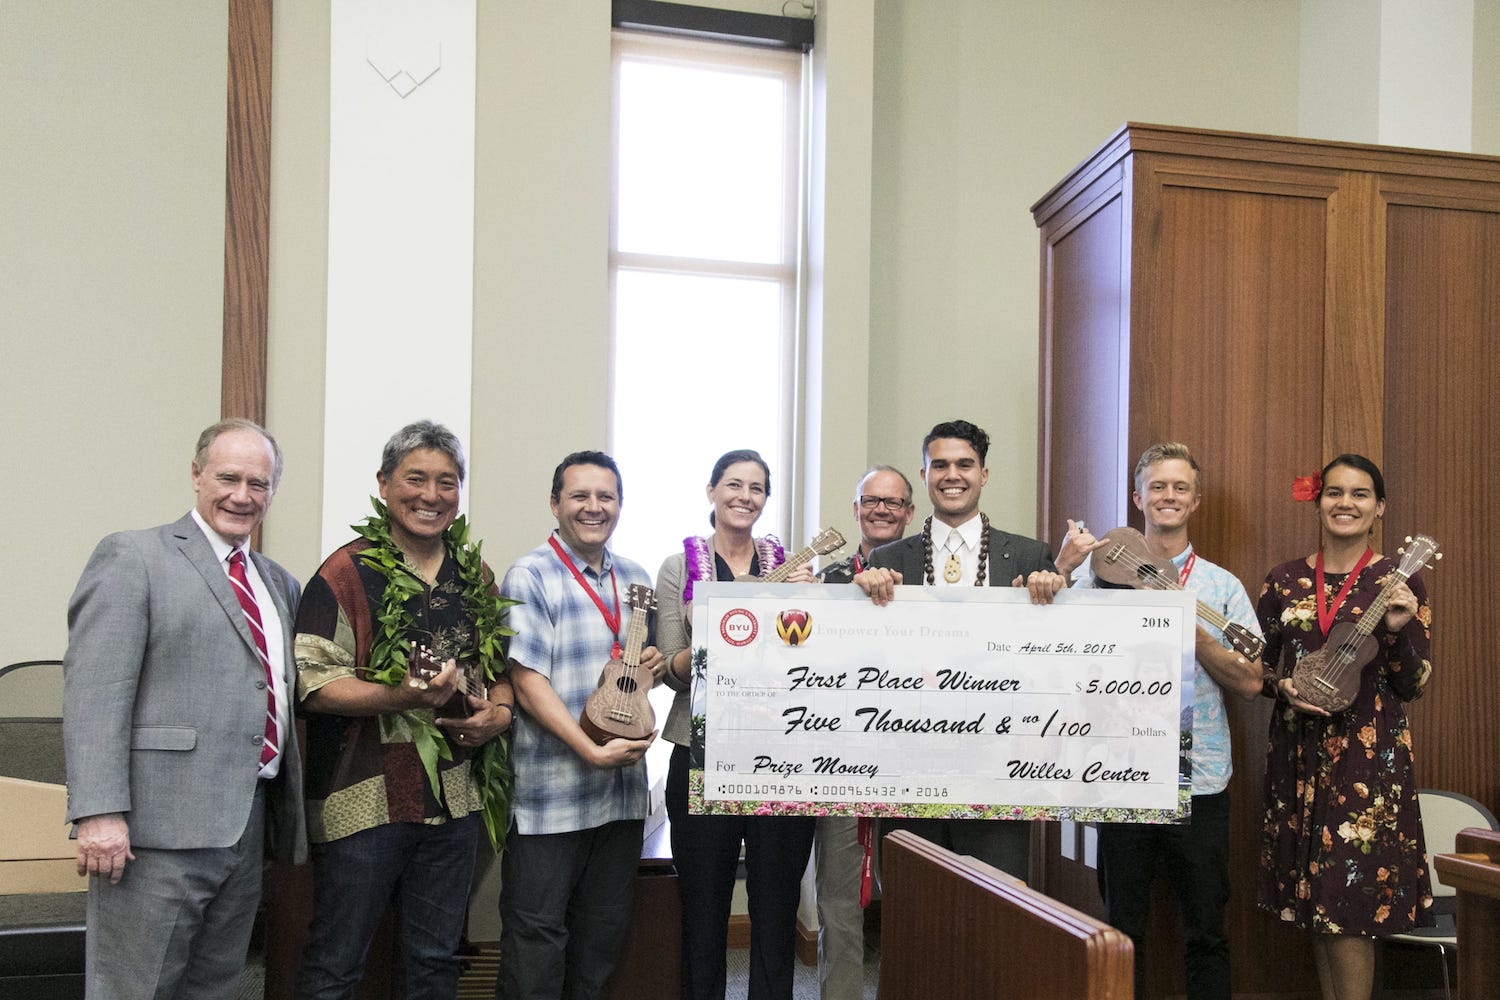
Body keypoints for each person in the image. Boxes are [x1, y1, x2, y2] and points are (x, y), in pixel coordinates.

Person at [63, 418, 305, 999]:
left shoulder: (279, 584)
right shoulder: (133, 556)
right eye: (228, 477)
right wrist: (98, 813)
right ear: (197, 476)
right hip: (152, 835)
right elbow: (94, 692)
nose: (242, 496)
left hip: (246, 829)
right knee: (133, 989)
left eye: (259, 483)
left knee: (216, 988)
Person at [293, 421, 515, 1000]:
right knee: (337, 962)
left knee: (437, 960)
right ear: (385, 484)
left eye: (447, 482)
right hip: (362, 799)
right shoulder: (344, 573)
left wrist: (500, 714)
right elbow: (315, 685)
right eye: (415, 479)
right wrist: (402, 698)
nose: (431, 495)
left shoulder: (475, 577)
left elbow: (497, 675)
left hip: (454, 799)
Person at [1056, 442, 1262, 1000]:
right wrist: (1062, 572)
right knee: (1123, 931)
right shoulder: (1097, 580)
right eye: (1157, 486)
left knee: (1207, 931)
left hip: (1202, 778)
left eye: (1180, 487)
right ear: (1137, 496)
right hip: (1121, 775)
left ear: (1195, 501)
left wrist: (1187, 627)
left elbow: (1250, 682)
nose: (1168, 496)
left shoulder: (1221, 588)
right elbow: (1051, 654)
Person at [853, 418, 1066, 879]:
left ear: (984, 474)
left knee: (996, 912)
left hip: (1000, 765)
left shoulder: (1030, 558)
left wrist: (1052, 597)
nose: (953, 475)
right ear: (925, 474)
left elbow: (1051, 664)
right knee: (917, 910)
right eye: (940, 464)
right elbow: (865, 664)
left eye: (965, 464)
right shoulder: (887, 561)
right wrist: (861, 600)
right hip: (910, 761)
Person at [1257, 454, 1434, 1000]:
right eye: (1334, 493)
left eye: (1360, 495)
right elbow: (1257, 665)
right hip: (1298, 756)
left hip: (1368, 763)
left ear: (1379, 508)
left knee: (1348, 903)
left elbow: (1415, 683)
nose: (1345, 504)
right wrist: (1280, 686)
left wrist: (1400, 633)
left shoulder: (1400, 582)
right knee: (1315, 902)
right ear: (1319, 503)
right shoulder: (1283, 580)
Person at [498, 450, 664, 1000]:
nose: (594, 507)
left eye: (606, 497)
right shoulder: (530, 574)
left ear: (619, 505)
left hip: (619, 795)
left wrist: (652, 671)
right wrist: (586, 750)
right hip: (552, 794)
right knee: (537, 937)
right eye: (580, 496)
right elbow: (527, 682)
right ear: (555, 503)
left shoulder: (637, 579)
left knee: (601, 936)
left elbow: (629, 677)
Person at [656, 449, 818, 1000]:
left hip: (780, 756)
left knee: (776, 905)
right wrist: (713, 635)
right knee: (704, 905)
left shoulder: (793, 569)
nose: (744, 496)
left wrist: (811, 608)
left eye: (756, 488)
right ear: (711, 492)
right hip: (701, 753)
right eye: (733, 484)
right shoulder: (678, 568)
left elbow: (809, 661)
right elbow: (670, 668)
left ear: (765, 500)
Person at [813, 465, 915, 1000]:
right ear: (855, 509)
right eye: (870, 500)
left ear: (910, 513)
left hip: (918, 766)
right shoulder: (826, 583)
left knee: (920, 905)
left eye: (893, 502)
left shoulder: (935, 584)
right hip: (840, 762)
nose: (881, 509)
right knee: (838, 902)